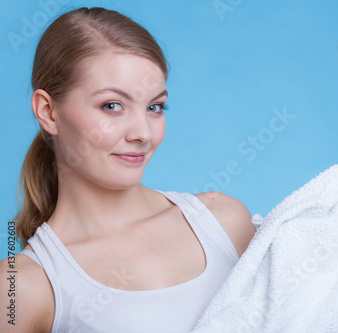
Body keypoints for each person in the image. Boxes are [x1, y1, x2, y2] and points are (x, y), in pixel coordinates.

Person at [0, 7, 256, 332]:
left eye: (155, 107)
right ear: (48, 112)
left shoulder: (224, 222)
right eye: (112, 106)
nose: (143, 134)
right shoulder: (19, 287)